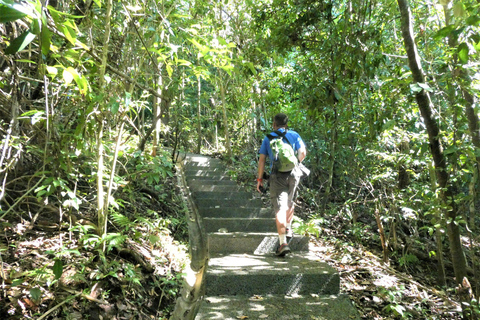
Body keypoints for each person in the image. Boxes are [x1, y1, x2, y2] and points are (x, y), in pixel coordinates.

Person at [256, 113, 307, 257]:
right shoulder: (294, 135)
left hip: (277, 175)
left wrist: (260, 180)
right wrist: (295, 163)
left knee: (279, 208)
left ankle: (283, 243)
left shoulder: (268, 138)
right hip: (294, 173)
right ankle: (289, 227)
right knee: (290, 201)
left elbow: (262, 160)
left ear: (274, 124)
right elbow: (302, 152)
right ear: (286, 124)